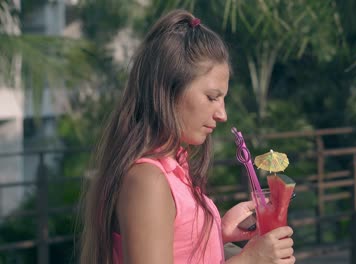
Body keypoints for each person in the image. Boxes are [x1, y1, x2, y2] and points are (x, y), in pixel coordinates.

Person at [79, 9, 295, 264]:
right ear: (169, 90)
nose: (222, 114)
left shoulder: (174, 171)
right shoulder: (147, 181)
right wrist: (249, 260)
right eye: (212, 97)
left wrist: (217, 232)